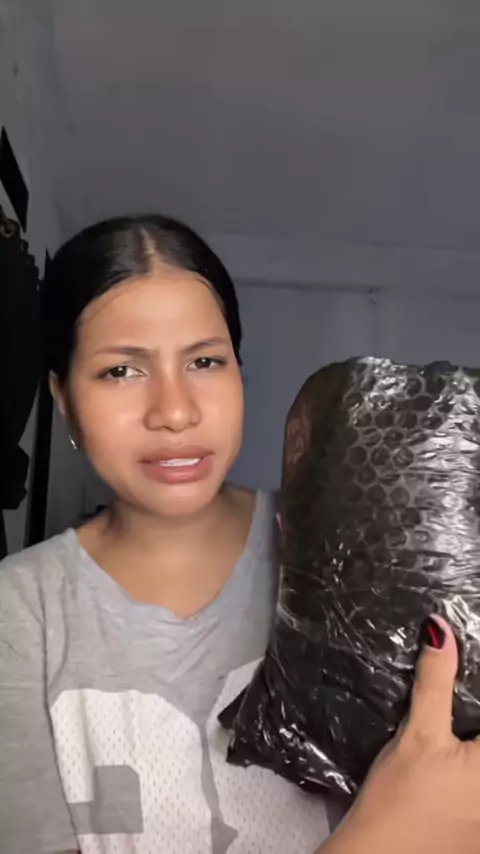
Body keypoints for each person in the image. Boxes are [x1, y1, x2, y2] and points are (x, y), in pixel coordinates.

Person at [0, 215, 478, 854]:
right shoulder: (18, 613)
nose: (175, 411)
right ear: (63, 399)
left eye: (205, 361)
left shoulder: (339, 547)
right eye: (122, 371)